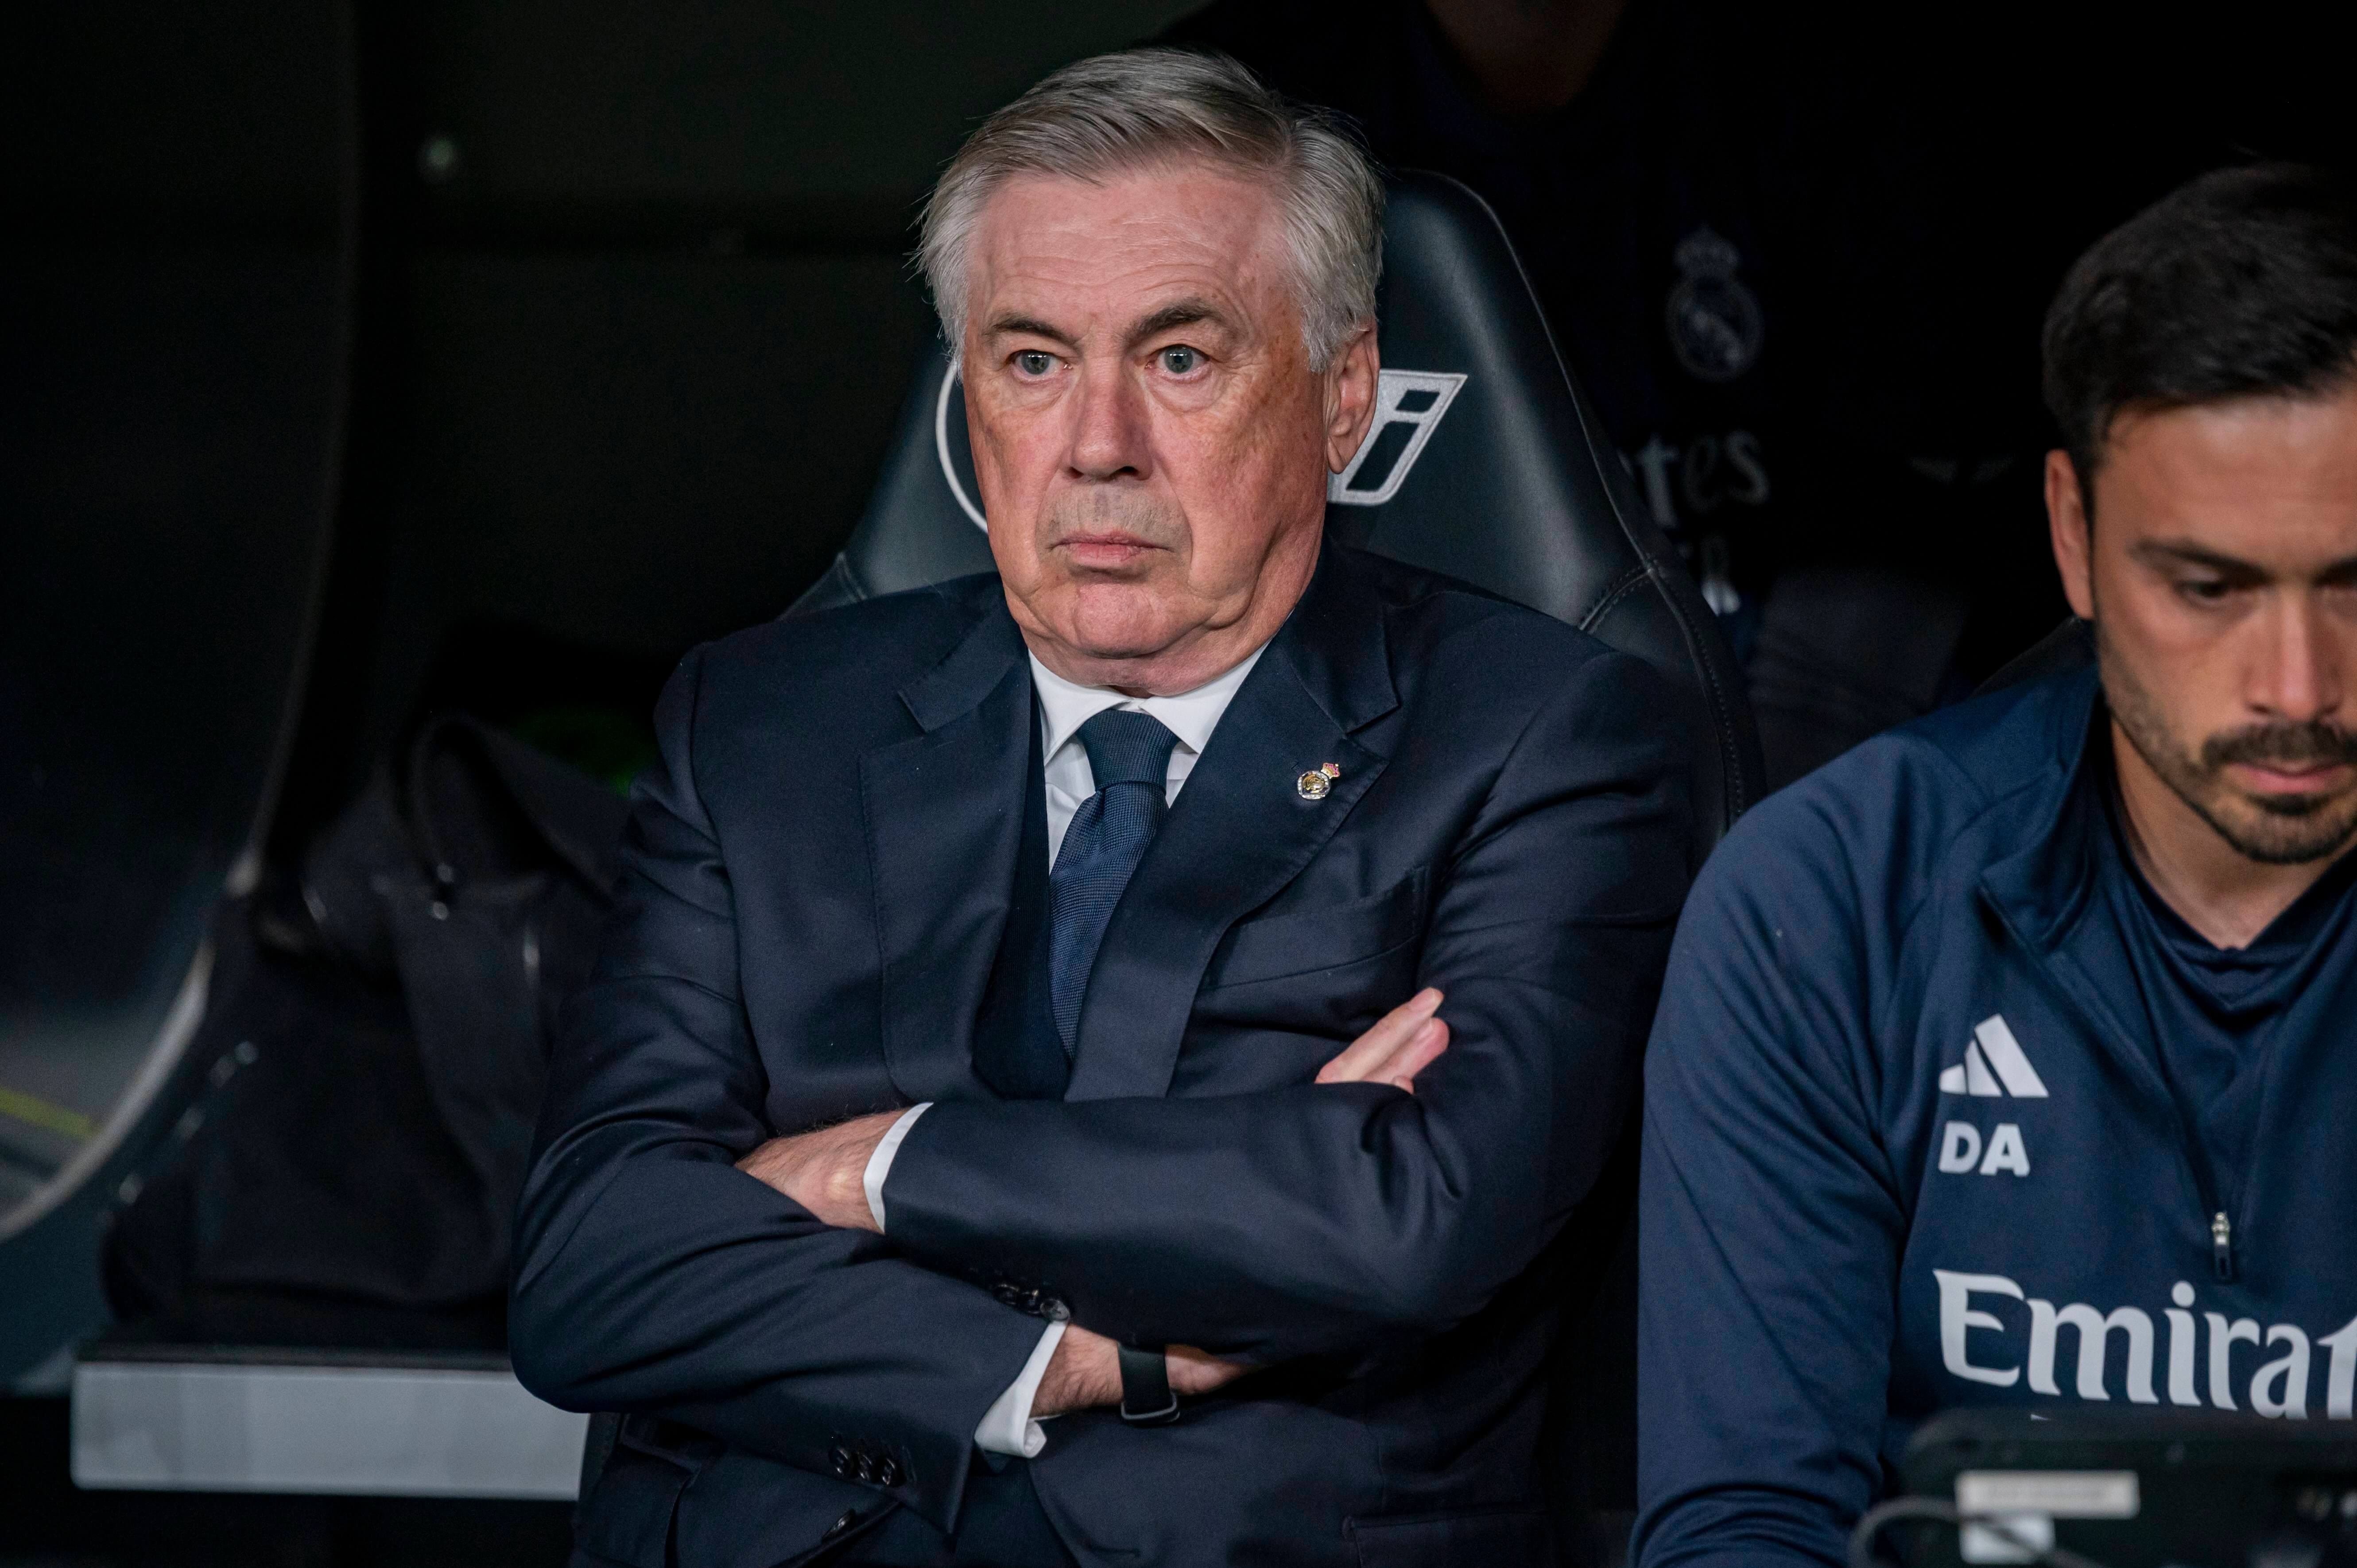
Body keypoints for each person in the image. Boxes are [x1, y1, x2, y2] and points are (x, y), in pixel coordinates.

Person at [510, 49, 1694, 1568]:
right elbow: (591, 1267)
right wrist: (1079, 1354)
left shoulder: (1544, 734)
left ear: (1345, 398)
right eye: (1032, 360)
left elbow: (1411, 1216)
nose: (1098, 444)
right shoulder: (759, 726)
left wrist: (871, 1167)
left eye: (1182, 358)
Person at [1635, 163, 2357, 1567]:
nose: (2297, 682)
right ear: (2073, 540)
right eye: (2207, 586)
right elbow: (1746, 1527)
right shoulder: (1831, 901)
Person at [1163, 0, 2081, 786]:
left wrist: (1765, 841)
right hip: (1397, 783)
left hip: (1829, 765)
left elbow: (1909, 528)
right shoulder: (1225, 108)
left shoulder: (1856, 85)